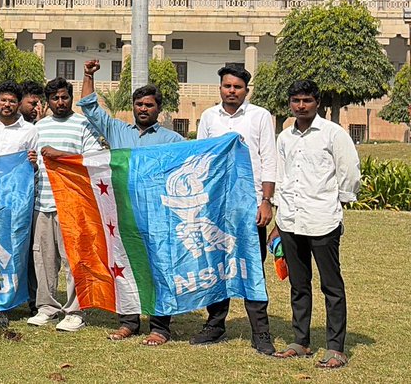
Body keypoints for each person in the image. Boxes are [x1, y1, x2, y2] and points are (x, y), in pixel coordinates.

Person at [77, 59, 182, 346]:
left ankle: (160, 327)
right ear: (133, 106)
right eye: (139, 105)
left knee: (158, 268)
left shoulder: (173, 140)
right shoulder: (116, 131)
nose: (143, 109)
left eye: (149, 105)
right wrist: (88, 75)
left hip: (158, 215)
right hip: (122, 214)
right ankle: (128, 323)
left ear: (158, 109)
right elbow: (89, 106)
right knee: (124, 266)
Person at [271, 80, 360, 370]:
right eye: (296, 100)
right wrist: (278, 216)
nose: (301, 105)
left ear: (317, 102)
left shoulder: (333, 134)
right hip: (290, 221)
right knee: (298, 285)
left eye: (306, 100)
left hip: (322, 220)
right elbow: (282, 178)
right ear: (290, 104)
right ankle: (301, 341)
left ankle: (336, 348)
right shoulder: (285, 137)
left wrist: (339, 203)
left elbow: (349, 171)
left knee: (331, 286)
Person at [193, 65, 277, 354]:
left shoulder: (260, 116)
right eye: (227, 86)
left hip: (249, 204)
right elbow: (200, 157)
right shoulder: (208, 117)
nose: (231, 91)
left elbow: (269, 159)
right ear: (220, 88)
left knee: (251, 266)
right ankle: (215, 325)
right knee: (216, 265)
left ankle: (261, 332)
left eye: (237, 87)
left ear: (246, 90)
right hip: (215, 204)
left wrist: (266, 201)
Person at [32, 77, 101, 333]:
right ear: (47, 101)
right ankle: (47, 307)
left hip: (72, 202)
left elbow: (92, 159)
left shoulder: (84, 125)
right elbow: (34, 161)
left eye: (64, 97)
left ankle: (75, 310)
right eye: (55, 98)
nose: (60, 102)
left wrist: (59, 155)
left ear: (71, 98)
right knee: (44, 258)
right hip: (43, 201)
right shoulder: (39, 127)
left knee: (74, 260)